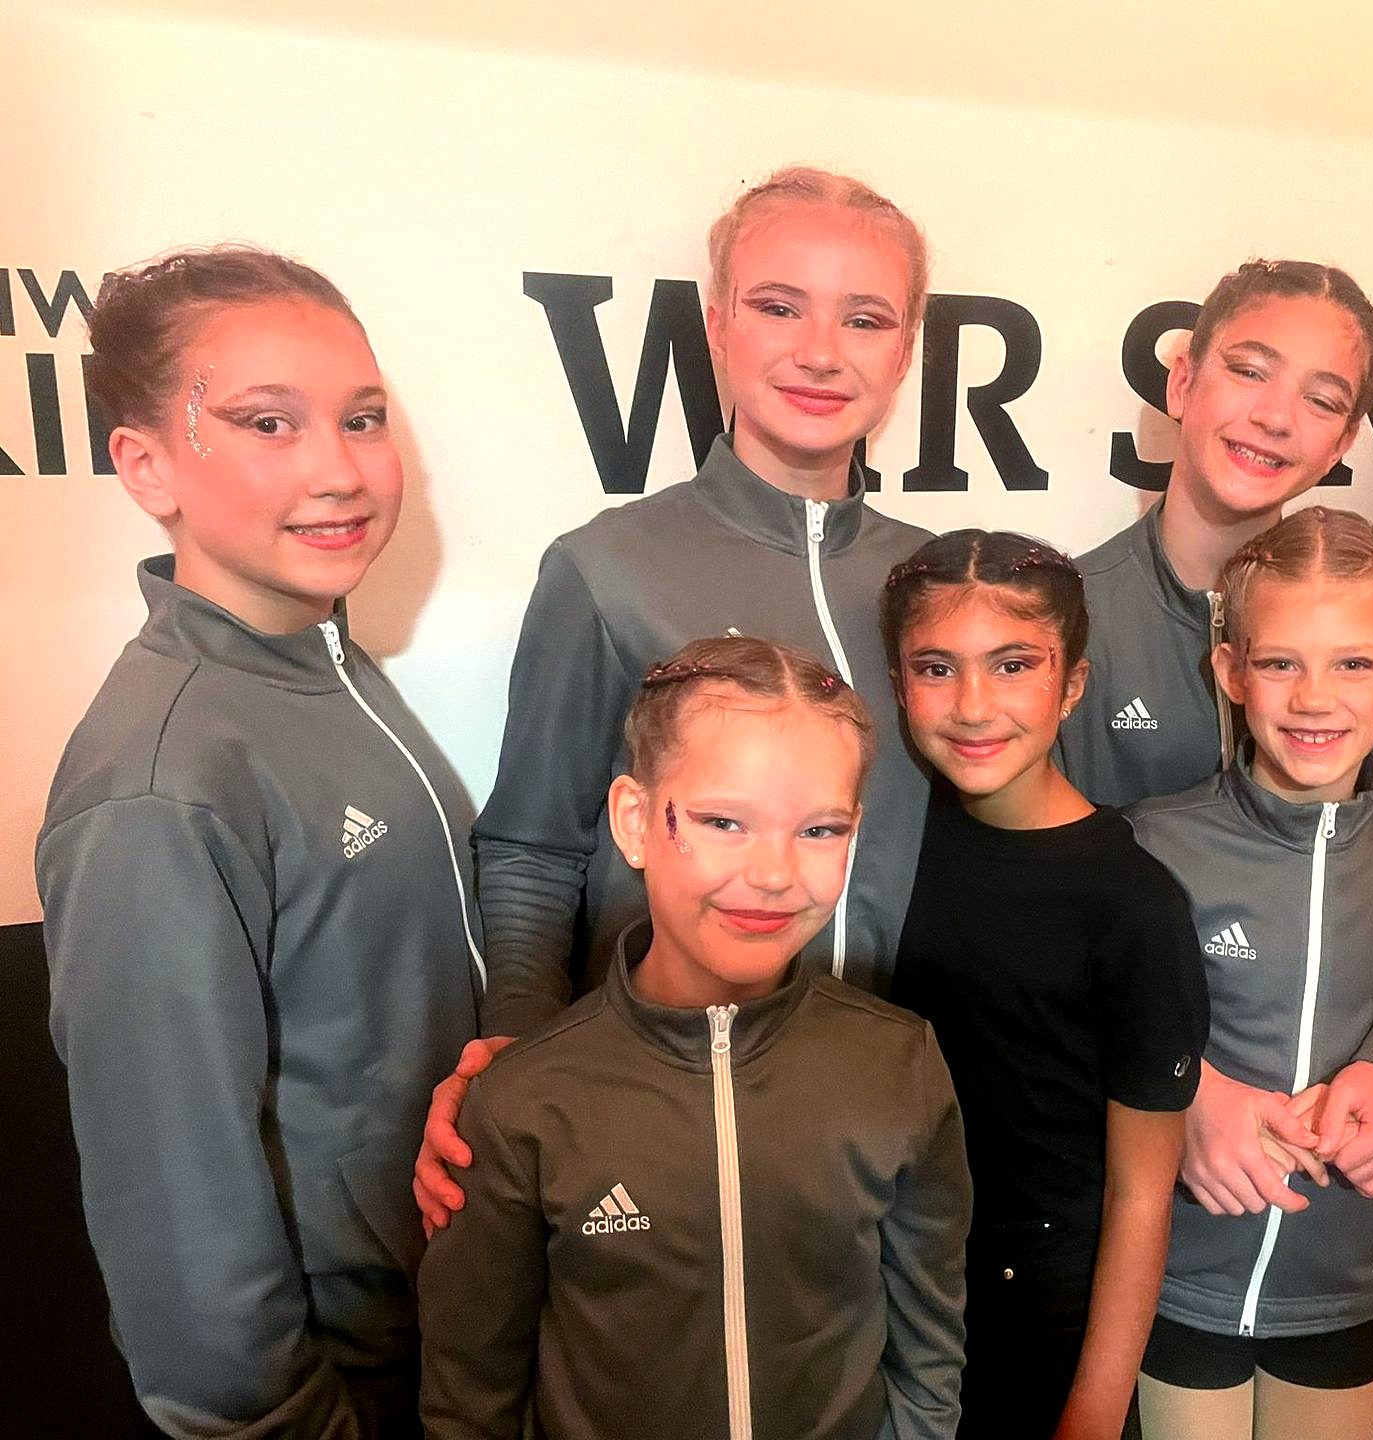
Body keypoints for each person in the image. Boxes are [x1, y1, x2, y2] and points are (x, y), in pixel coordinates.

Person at [415, 166, 935, 1232]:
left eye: (865, 317)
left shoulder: (937, 585)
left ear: (906, 349)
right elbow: (533, 845)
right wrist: (517, 1046)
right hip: (655, 1093)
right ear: (716, 325)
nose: (821, 351)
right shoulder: (606, 568)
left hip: (882, 1100)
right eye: (778, 306)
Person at [37, 245, 484, 1438]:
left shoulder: (321, 662)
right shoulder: (160, 783)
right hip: (343, 1387)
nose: (339, 470)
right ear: (147, 465)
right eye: (268, 423)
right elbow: (178, 1208)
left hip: (444, 1331)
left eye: (362, 418)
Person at [1056, 260, 1373, 1217]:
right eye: (1249, 370)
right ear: (1182, 380)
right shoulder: (1069, 621)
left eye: (1321, 398)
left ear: (1345, 440)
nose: (1275, 418)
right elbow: (1034, 907)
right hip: (1113, 1154)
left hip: (1323, 1184)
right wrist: (1180, 1083)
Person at [417, 635, 970, 1440]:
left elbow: (929, 1346)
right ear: (636, 822)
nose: (774, 874)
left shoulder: (899, 1064)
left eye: (819, 831)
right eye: (723, 821)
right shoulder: (524, 1101)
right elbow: (471, 1394)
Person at [1127, 508, 1373, 1440]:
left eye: (1352, 663)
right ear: (1231, 672)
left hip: (1341, 1280)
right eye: (1280, 663)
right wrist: (1190, 1097)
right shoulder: (1153, 844)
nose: (1315, 698)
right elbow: (1101, 1034)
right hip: (1177, 1277)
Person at [882, 531, 1210, 1439]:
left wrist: (1094, 1412)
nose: (973, 705)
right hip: (895, 1287)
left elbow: (1142, 1191)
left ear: (1072, 685)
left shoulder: (1133, 902)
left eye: (1014, 665)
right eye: (937, 668)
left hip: (1043, 1318)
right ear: (899, 684)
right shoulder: (883, 851)